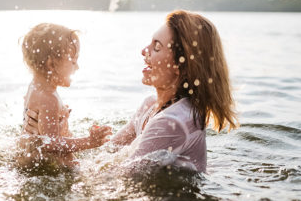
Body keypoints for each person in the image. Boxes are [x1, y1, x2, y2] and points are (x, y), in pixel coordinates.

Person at [24, 10, 237, 172]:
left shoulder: (173, 122)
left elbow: (116, 180)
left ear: (183, 65)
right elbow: (107, 153)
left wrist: (59, 159)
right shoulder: (150, 106)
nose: (144, 51)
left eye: (157, 47)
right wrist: (61, 133)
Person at [16, 23, 112, 169]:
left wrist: (57, 116)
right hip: (54, 168)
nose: (77, 66)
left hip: (30, 161)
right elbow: (50, 143)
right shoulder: (49, 98)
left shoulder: (34, 88)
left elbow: (40, 132)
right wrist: (89, 142)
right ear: (51, 64)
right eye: (73, 60)